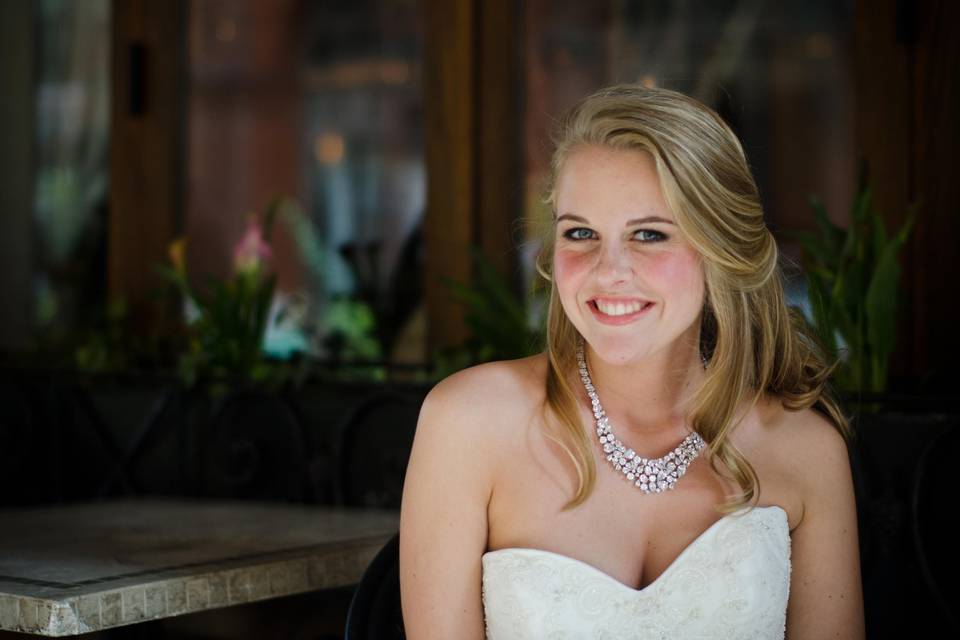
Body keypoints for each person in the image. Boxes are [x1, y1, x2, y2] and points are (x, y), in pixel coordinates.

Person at [399, 84, 863, 638]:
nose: (608, 270)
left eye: (648, 234)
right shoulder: (467, 424)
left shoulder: (806, 451)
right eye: (581, 233)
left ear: (720, 250)